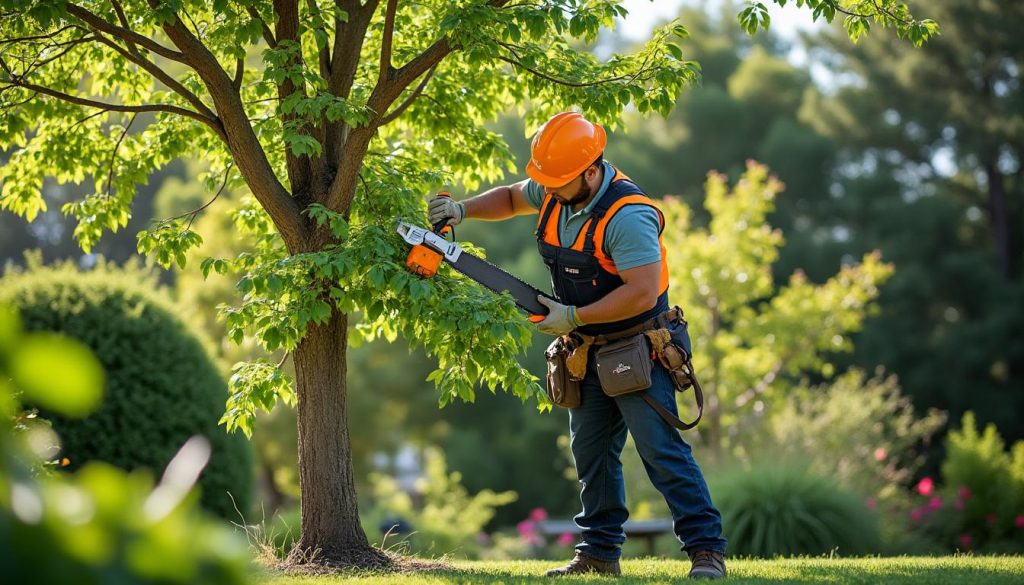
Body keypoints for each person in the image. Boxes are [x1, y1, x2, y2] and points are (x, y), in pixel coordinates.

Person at [428, 111, 727, 580]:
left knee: (660, 451)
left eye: (558, 182)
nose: (548, 189)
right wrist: (462, 210)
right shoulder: (556, 186)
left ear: (590, 171)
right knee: (591, 454)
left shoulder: (627, 216)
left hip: (637, 347)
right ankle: (599, 553)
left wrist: (573, 316)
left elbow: (642, 292)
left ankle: (706, 551)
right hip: (585, 349)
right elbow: (512, 197)